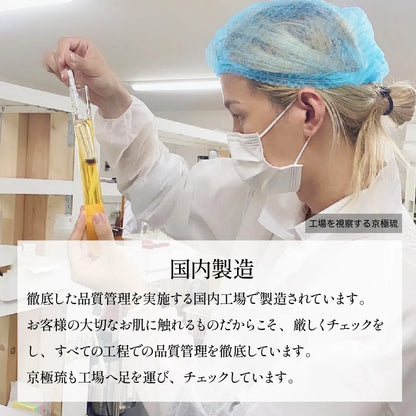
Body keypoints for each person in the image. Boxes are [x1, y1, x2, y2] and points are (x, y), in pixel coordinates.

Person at [43, 0, 416, 415]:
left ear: (309, 112)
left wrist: (132, 299)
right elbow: (173, 193)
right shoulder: (279, 195)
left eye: (239, 116)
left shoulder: (393, 283)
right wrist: (113, 100)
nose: (233, 134)